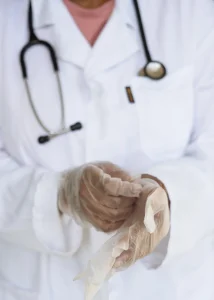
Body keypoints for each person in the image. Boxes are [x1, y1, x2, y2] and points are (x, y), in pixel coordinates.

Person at [0, 0, 214, 299]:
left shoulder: (193, 12)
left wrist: (167, 193)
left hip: (170, 287)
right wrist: (59, 194)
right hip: (39, 286)